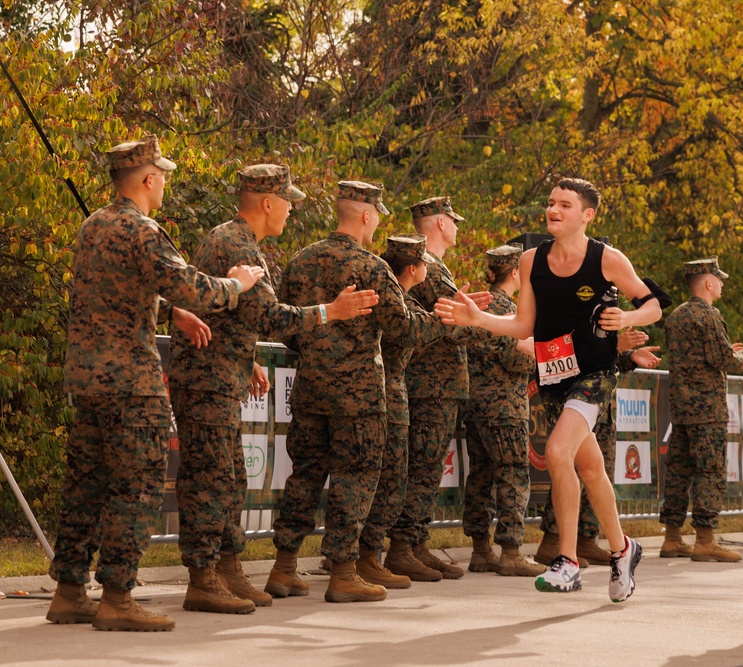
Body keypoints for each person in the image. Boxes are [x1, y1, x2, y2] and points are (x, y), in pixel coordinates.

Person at [47, 134, 266, 632]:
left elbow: (114, 292)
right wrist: (239, 283)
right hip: (132, 383)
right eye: (162, 175)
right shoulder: (144, 231)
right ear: (148, 179)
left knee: (86, 487)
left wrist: (170, 312)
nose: (164, 182)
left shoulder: (91, 226)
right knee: (138, 487)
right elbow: (195, 286)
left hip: (87, 381)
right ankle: (117, 597)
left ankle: (69, 591)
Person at [436, 177, 662, 602]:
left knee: (557, 452)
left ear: (587, 215)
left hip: (595, 374)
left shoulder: (607, 258)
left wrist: (627, 319)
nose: (553, 210)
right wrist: (478, 320)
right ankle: (623, 548)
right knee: (590, 469)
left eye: (565, 204)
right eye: (551, 202)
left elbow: (653, 304)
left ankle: (567, 561)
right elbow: (523, 325)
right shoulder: (530, 261)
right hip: (555, 377)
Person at [168, 165, 378, 614]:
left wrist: (247, 359)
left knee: (230, 478)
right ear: (267, 203)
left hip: (219, 377)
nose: (290, 210)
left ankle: (227, 570)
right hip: (206, 382)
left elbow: (230, 316)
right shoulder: (236, 245)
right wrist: (332, 311)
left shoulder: (233, 239)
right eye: (287, 202)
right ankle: (202, 578)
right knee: (210, 481)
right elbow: (270, 318)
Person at [265, 181, 453, 604]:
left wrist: (318, 351)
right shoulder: (371, 267)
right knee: (356, 478)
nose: (380, 221)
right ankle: (344, 572)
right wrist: (446, 320)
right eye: (379, 214)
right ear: (367, 215)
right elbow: (403, 329)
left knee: (304, 476)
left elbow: (286, 326)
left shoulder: (300, 261)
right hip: (359, 396)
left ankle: (284, 567)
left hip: (311, 388)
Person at [387, 196, 471, 581]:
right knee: (421, 468)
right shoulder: (431, 269)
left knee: (428, 467)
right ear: (439, 222)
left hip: (435, 385)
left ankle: (416, 543)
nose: (456, 226)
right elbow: (456, 325)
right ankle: (404, 546)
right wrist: (489, 325)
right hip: (429, 386)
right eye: (452, 220)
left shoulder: (434, 267)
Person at [535, 329, 661, 568]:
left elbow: (607, 363)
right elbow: (576, 357)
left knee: (598, 476)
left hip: (601, 410)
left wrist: (629, 356)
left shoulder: (603, 319)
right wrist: (616, 345)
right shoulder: (571, 316)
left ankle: (588, 539)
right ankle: (554, 540)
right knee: (569, 470)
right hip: (579, 405)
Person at [658, 257, 743, 563]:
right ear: (709, 283)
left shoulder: (675, 316)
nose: (722, 285)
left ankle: (672, 538)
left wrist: (730, 352)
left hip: (681, 409)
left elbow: (701, 356)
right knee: (710, 472)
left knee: (679, 472)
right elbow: (722, 359)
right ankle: (705, 540)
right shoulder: (709, 316)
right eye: (720, 280)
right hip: (708, 409)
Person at [356, 233, 440, 587]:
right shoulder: (394, 301)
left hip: (388, 393)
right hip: (385, 395)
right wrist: (452, 318)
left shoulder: (399, 297)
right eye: (424, 264)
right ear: (413, 269)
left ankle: (364, 555)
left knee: (381, 478)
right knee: (386, 480)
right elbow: (412, 330)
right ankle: (365, 557)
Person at [461, 243, 546, 577]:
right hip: (505, 407)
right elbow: (514, 358)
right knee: (512, 474)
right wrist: (533, 355)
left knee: (480, 475)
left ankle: (480, 549)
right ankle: (511, 551)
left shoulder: (479, 305)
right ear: (515, 272)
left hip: (475, 404)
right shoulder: (510, 311)